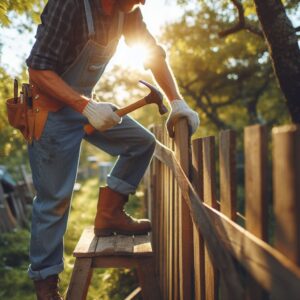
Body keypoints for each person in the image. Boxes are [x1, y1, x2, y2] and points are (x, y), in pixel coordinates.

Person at [26, 0, 199, 298]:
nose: (143, 1)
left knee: (141, 142)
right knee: (54, 200)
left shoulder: (128, 11)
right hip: (49, 109)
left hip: (85, 104)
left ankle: (109, 214)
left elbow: (152, 52)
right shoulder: (69, 5)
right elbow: (38, 70)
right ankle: (46, 284)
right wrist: (85, 106)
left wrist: (177, 101)